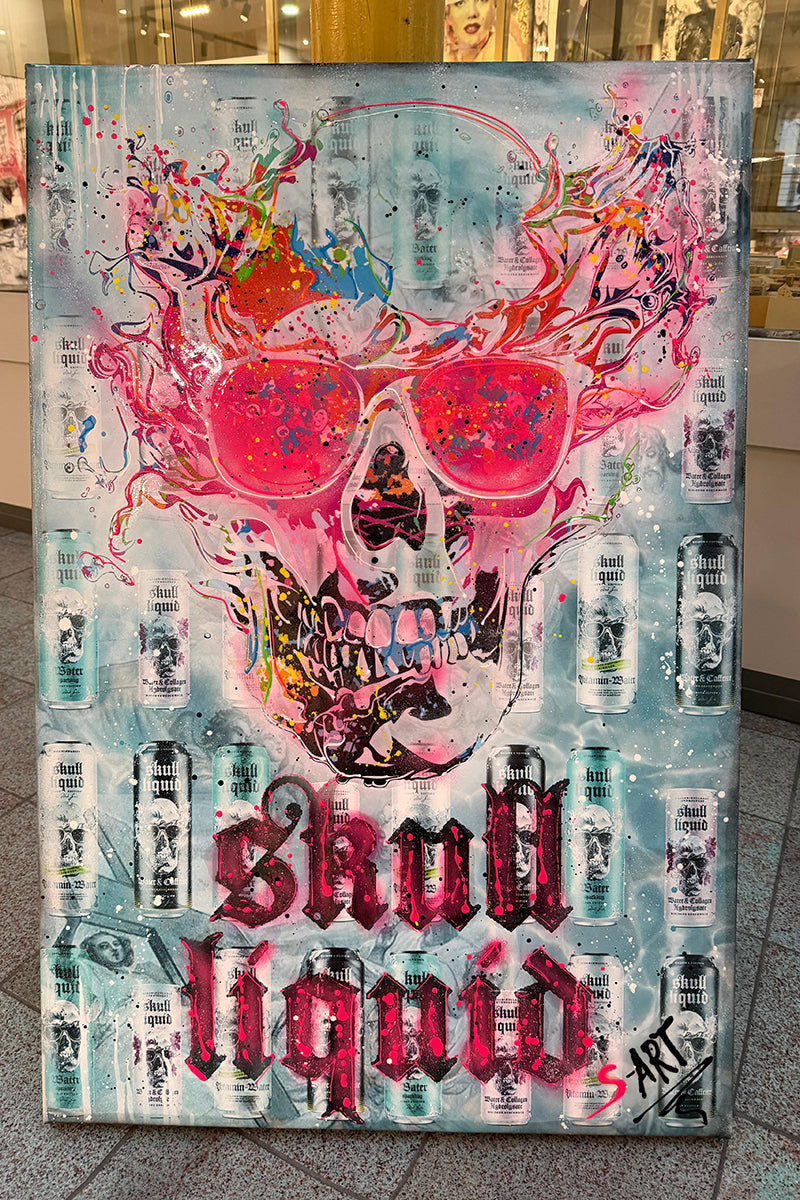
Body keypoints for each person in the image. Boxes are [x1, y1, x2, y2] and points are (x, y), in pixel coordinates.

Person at [444, 0, 522, 62]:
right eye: (460, 3)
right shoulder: (443, 51)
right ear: (447, 14)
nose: (472, 13)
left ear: (495, 5)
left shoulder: (502, 49)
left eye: (482, 0)